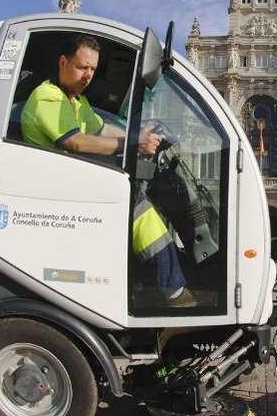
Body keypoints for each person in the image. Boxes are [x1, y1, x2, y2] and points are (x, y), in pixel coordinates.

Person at [21, 33, 194, 307]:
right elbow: (76, 142)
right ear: (63, 62)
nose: (87, 75)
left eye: (92, 69)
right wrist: (133, 144)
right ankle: (173, 293)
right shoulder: (48, 97)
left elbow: (101, 129)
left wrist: (139, 134)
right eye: (81, 67)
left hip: (73, 186)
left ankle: (166, 284)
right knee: (135, 204)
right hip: (57, 193)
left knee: (136, 200)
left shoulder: (76, 102)